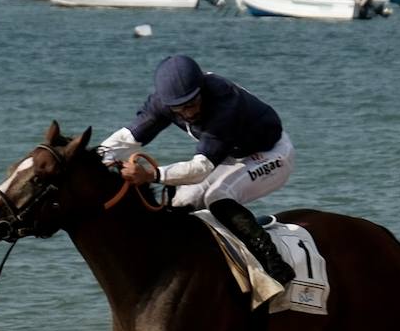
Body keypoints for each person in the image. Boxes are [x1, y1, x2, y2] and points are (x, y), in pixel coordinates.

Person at [98, 54, 296, 285]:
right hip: (231, 154)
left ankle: (275, 265)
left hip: (273, 153)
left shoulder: (224, 102)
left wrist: (151, 175)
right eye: (179, 109)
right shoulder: (163, 102)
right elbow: (128, 138)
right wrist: (94, 157)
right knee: (179, 201)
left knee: (218, 197)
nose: (188, 113)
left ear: (201, 89)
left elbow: (201, 168)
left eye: (192, 104)